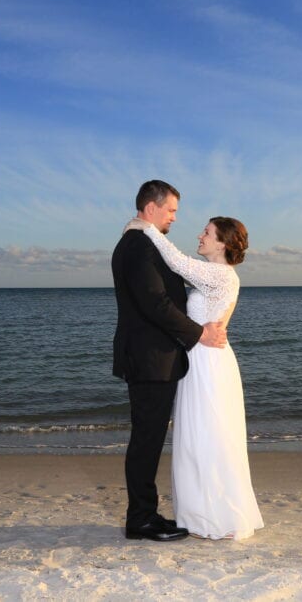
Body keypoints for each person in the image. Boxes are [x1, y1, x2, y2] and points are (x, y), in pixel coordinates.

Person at [123, 214, 264, 541]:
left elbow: (177, 262)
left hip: (208, 365)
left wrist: (146, 227)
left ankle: (220, 517)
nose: (200, 235)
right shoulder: (214, 276)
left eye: (207, 232)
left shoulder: (221, 275)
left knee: (209, 437)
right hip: (199, 359)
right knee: (197, 438)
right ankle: (201, 516)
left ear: (223, 243)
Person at [112, 180, 227, 542]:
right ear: (151, 208)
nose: (175, 218)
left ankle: (146, 514)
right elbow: (155, 304)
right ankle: (141, 520)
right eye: (171, 210)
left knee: (149, 437)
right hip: (149, 359)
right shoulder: (139, 246)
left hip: (154, 357)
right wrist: (199, 333)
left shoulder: (142, 241)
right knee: (146, 439)